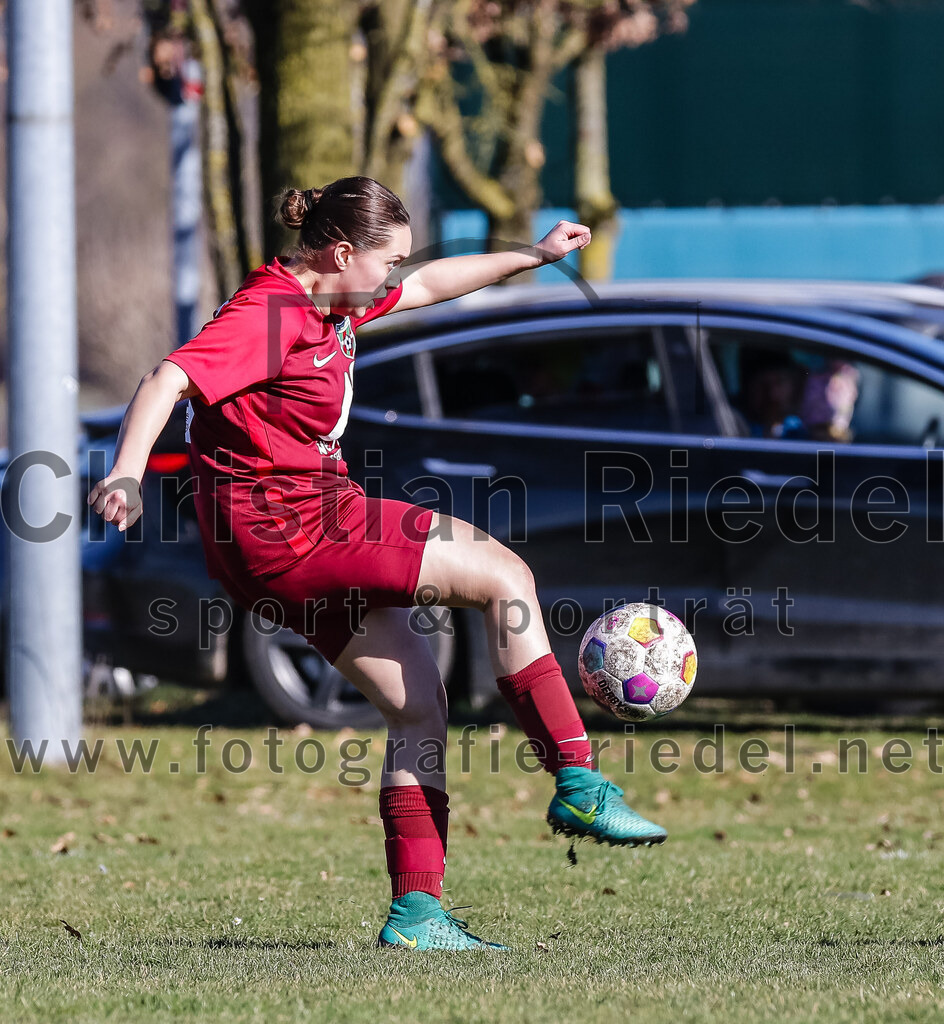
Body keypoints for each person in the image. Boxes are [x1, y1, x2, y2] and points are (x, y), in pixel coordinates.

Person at [87, 176, 666, 953]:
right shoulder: (273, 311)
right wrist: (126, 470)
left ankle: (417, 915)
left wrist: (531, 256)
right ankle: (579, 782)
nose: (396, 278)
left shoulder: (337, 301)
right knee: (506, 578)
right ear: (341, 251)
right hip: (296, 525)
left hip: (270, 542)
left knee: (419, 703)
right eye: (385, 262)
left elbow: (430, 282)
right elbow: (170, 378)